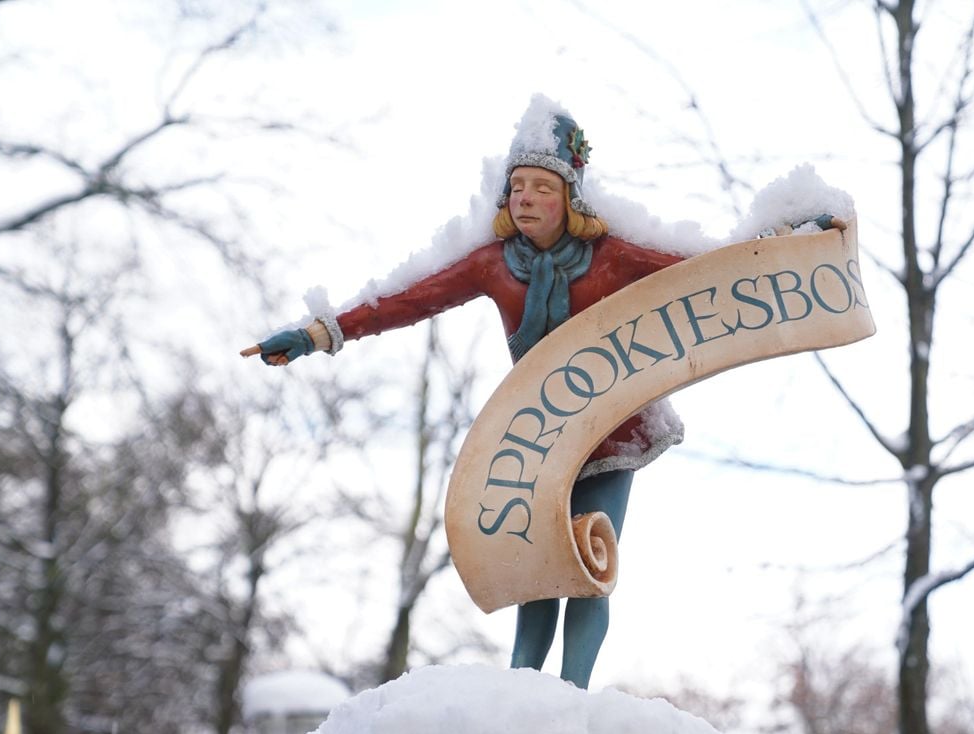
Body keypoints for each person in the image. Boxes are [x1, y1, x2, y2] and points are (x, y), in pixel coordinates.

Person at [243, 95, 686, 689]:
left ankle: (573, 695)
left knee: (589, 559)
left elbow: (705, 263)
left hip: (612, 428)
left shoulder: (612, 254)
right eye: (517, 186)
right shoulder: (494, 263)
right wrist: (318, 331)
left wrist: (792, 240)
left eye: (542, 188)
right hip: (538, 427)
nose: (525, 198)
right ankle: (520, 690)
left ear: (570, 197)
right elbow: (408, 297)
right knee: (539, 564)